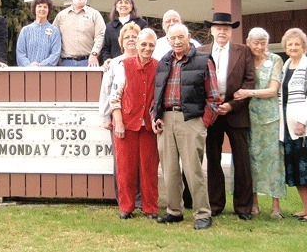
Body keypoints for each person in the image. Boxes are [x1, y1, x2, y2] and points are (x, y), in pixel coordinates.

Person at [151, 23, 217, 230]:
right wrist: (155, 116)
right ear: (168, 40)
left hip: (191, 121)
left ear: (188, 36)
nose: (177, 41)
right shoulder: (163, 62)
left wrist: (202, 123)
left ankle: (203, 214)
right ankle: (174, 211)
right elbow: (156, 96)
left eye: (181, 37)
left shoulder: (203, 60)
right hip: (166, 121)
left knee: (192, 170)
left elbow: (214, 98)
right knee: (169, 171)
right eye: (173, 38)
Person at [199, 12, 255, 220]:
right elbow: (196, 82)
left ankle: (243, 207)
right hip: (211, 114)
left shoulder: (243, 52)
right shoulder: (201, 52)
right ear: (212, 30)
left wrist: (231, 105)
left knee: (241, 161)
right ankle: (215, 204)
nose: (222, 31)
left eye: (226, 28)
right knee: (213, 159)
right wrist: (210, 107)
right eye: (218, 28)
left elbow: (249, 82)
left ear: (231, 31)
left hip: (236, 112)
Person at [232, 27, 285, 218]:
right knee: (250, 160)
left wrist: (248, 93)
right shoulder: (244, 59)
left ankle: (275, 206)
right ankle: (253, 204)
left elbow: (272, 90)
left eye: (263, 42)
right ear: (248, 42)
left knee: (272, 160)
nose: (260, 46)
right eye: (256, 42)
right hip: (247, 117)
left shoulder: (275, 60)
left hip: (269, 118)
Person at [108, 28, 159, 219]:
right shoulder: (124, 65)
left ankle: (151, 208)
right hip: (126, 124)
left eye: (151, 45)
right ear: (137, 44)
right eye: (143, 44)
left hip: (149, 126)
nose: (147, 48)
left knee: (149, 168)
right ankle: (126, 207)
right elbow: (114, 97)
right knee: (125, 168)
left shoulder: (159, 66)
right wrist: (118, 122)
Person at [99, 23, 141, 208]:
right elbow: (106, 91)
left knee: (141, 160)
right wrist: (106, 117)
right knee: (122, 161)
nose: (131, 39)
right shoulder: (115, 63)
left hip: (141, 120)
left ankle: (140, 200)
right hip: (119, 119)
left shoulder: (147, 61)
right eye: (127, 37)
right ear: (121, 42)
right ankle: (123, 200)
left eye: (134, 36)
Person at [278, 28, 307, 222]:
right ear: (285, 47)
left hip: (306, 127)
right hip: (288, 127)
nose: (293, 47)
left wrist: (302, 120)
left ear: (304, 46)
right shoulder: (286, 65)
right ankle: (306, 208)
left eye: (297, 44)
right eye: (290, 44)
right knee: (296, 168)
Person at [52, 0, 105, 67]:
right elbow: (53, 38)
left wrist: (94, 54)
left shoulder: (95, 15)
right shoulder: (61, 16)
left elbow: (100, 35)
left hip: (89, 62)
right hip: (66, 63)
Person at [100, 0, 147, 64]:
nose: (123, 5)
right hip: (116, 64)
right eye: (120, 3)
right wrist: (107, 59)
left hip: (138, 63)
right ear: (116, 7)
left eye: (126, 3)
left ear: (131, 7)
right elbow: (105, 48)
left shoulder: (141, 23)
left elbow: (145, 44)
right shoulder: (109, 27)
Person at [16, 0, 61, 66]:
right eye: (39, 6)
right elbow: (20, 53)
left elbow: (55, 54)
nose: (42, 9)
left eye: (45, 7)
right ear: (34, 9)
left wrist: (40, 66)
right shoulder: (25, 30)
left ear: (49, 10)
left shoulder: (55, 32)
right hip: (28, 73)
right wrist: (29, 66)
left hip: (47, 74)